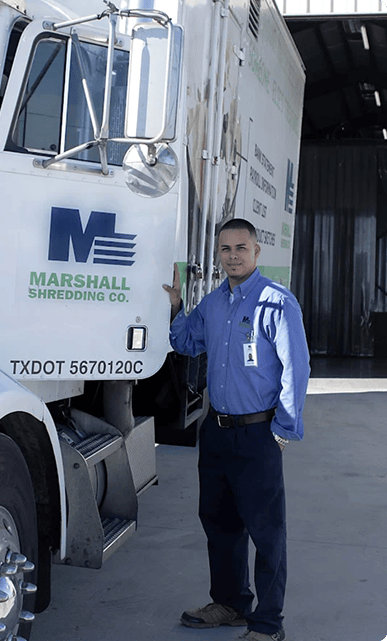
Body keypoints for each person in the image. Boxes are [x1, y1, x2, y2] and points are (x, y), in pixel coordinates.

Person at [163, 218, 310, 641]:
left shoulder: (277, 304)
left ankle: (268, 624)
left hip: (258, 434)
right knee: (220, 523)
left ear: (256, 251)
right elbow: (186, 343)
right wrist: (176, 306)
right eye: (225, 249)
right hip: (217, 431)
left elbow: (297, 369)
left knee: (266, 533)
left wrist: (284, 429)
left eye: (240, 248)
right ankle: (230, 604)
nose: (232, 256)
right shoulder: (213, 304)